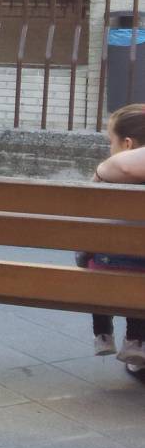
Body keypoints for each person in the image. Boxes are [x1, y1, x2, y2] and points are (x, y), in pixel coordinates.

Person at [84, 104, 145, 369]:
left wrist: (98, 173)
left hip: (104, 269)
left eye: (111, 142)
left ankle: (103, 334)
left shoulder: (111, 179)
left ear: (128, 144)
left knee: (89, 257)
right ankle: (136, 342)